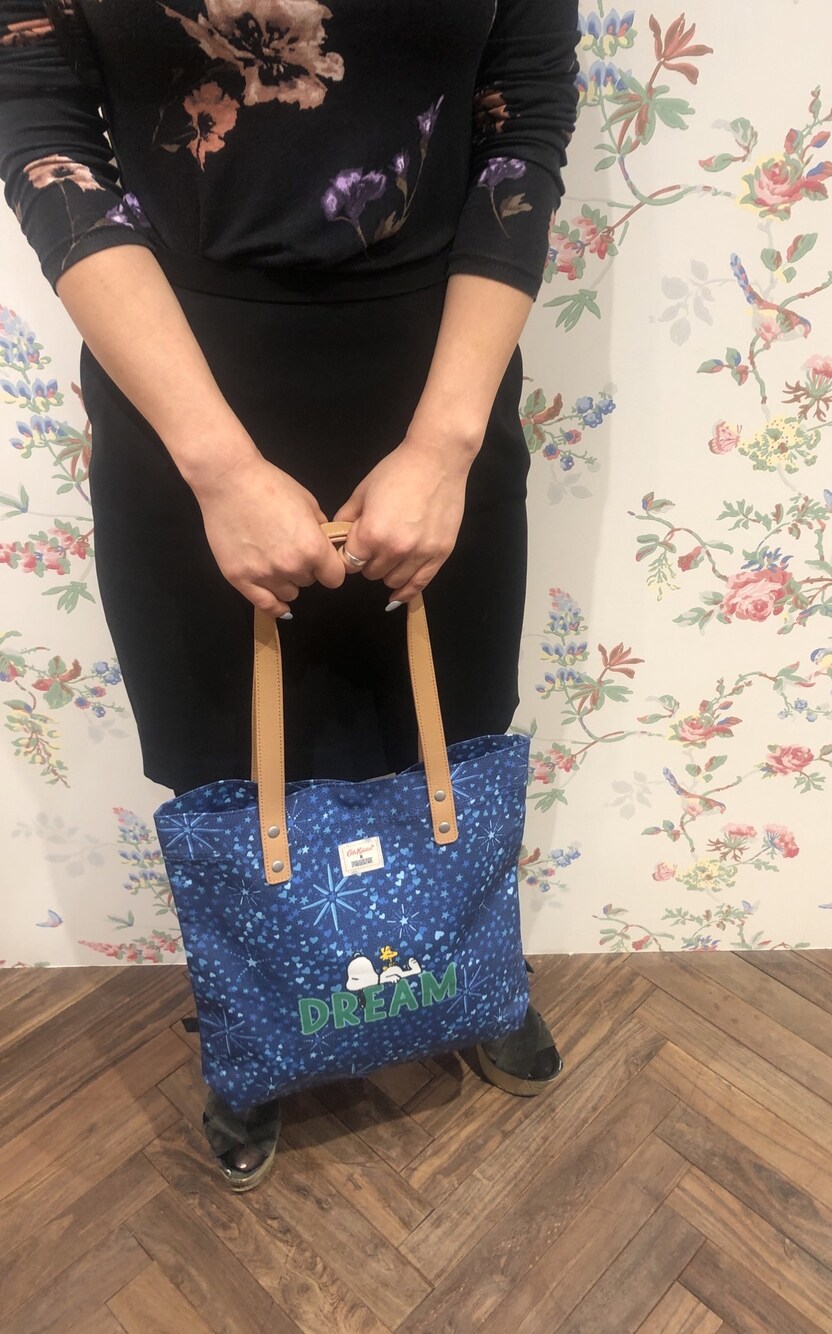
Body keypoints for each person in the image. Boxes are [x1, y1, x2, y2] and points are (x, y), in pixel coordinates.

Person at [0, 0, 580, 1190]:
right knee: (219, 738)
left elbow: (521, 130)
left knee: (456, 713)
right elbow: (41, 128)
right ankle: (260, 1013)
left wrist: (446, 445)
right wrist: (216, 465)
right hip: (180, 371)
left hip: (438, 361)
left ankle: (468, 970)